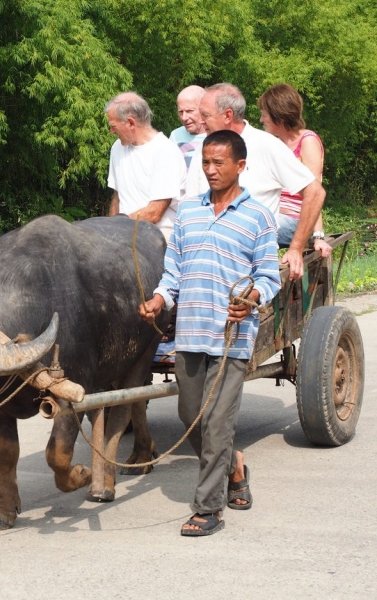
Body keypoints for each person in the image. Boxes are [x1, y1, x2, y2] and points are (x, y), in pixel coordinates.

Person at [139, 130, 281, 536]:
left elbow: (269, 276)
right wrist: (158, 300)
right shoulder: (189, 213)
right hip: (190, 333)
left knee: (217, 422)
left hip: (232, 335)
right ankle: (234, 465)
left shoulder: (257, 217)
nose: (211, 170)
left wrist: (251, 296)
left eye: (219, 163)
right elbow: (174, 272)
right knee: (190, 417)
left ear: (240, 165)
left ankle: (208, 508)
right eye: (206, 162)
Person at [184, 83, 326, 280]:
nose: (200, 122)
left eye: (205, 116)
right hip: (205, 262)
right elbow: (190, 206)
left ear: (227, 115)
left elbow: (315, 192)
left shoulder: (265, 145)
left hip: (250, 265)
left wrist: (295, 248)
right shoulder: (204, 147)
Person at [258, 83, 332, 256]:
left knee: (256, 231)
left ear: (279, 118)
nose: (261, 120)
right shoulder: (274, 144)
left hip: (295, 220)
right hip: (274, 215)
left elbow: (314, 192)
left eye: (264, 115)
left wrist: (318, 236)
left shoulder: (307, 141)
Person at [105, 92, 186, 241]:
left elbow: (154, 212)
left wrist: (117, 227)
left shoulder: (165, 151)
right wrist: (110, 232)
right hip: (124, 231)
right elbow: (117, 197)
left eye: (113, 126)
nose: (111, 132)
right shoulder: (117, 147)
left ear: (130, 123)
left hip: (159, 237)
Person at [169, 85, 207, 170]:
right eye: (181, 112)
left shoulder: (218, 135)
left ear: (204, 109)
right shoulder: (175, 136)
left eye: (189, 111)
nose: (184, 118)